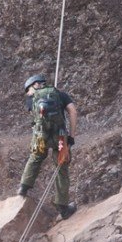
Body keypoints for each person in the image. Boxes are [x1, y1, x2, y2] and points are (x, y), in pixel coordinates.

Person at [17, 74, 78, 219]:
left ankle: (23, 188)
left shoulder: (31, 99)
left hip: (40, 137)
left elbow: (36, 117)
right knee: (61, 168)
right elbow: (73, 112)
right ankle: (63, 208)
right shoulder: (59, 94)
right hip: (60, 137)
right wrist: (72, 136)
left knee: (35, 158)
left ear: (33, 86)